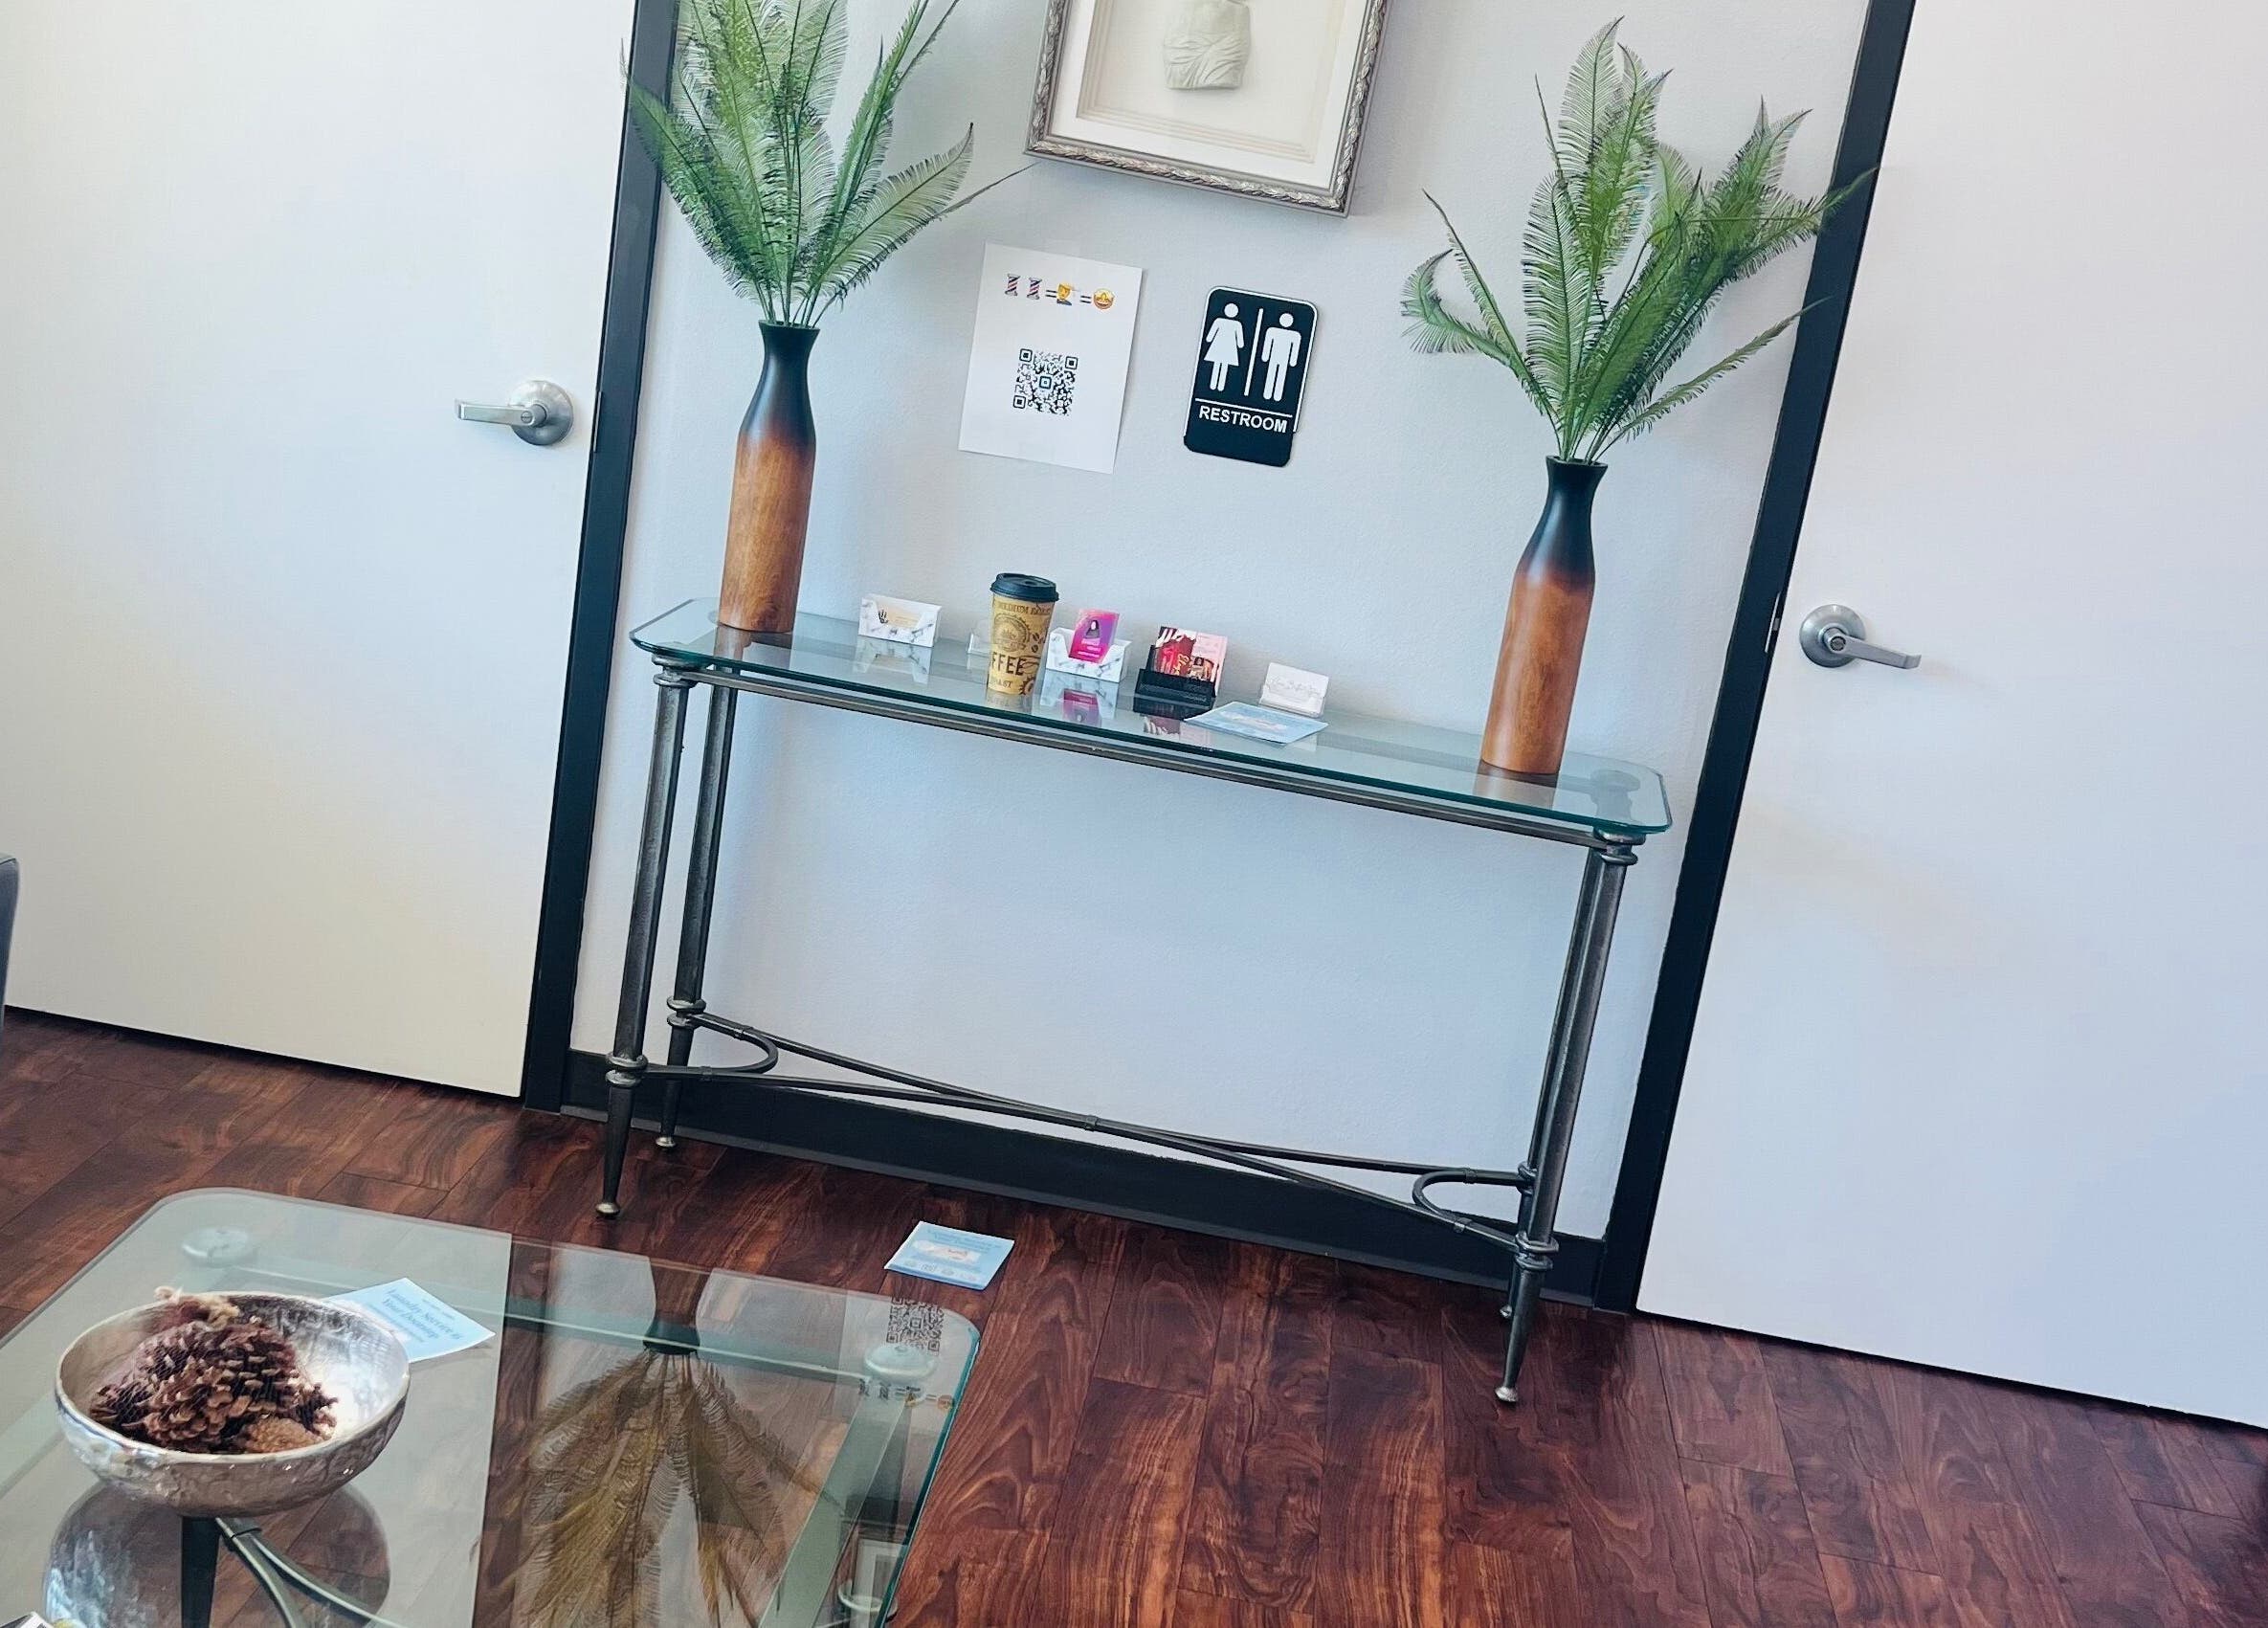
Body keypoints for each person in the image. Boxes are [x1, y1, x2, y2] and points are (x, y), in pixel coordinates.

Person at [1260, 311, 1302, 402]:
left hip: (1284, 359)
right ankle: (1267, 394)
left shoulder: (1295, 335)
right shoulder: (1272, 331)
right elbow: (1268, 344)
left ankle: (1277, 396)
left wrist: (1293, 361)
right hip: (1274, 357)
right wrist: (1265, 356)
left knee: (1281, 376)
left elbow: (1295, 349)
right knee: (1272, 374)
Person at [1204, 302, 1245, 392]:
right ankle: (1218, 387)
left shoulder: (1222, 321)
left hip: (1221, 346)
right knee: (1221, 366)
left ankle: (1215, 386)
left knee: (1219, 365)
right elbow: (1240, 341)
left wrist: (1209, 339)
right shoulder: (1235, 324)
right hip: (1226, 347)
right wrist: (1240, 345)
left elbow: (1209, 336)